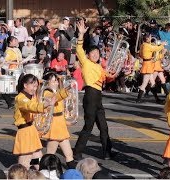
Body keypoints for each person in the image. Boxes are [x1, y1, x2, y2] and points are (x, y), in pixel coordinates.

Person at [73, 20, 117, 160]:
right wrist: (81, 34)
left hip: (98, 96)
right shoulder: (85, 62)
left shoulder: (99, 67)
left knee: (103, 127)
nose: (96, 55)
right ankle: (77, 152)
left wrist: (115, 72)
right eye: (93, 53)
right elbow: (79, 50)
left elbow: (108, 78)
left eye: (97, 53)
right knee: (89, 126)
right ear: (88, 55)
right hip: (90, 94)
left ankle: (107, 151)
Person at [13, 74, 57, 169]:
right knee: (25, 159)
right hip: (24, 132)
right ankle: (20, 176)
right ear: (25, 85)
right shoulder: (20, 98)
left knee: (38, 157)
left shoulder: (30, 96)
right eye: (33, 86)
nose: (35, 88)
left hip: (31, 130)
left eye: (36, 86)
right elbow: (31, 106)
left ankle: (40, 174)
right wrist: (46, 104)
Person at [41, 72, 77, 169]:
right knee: (50, 154)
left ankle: (73, 173)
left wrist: (66, 121)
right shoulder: (46, 92)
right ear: (47, 83)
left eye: (56, 80)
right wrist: (68, 88)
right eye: (53, 81)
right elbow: (56, 98)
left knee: (69, 154)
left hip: (60, 123)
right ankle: (43, 172)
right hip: (54, 125)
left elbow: (62, 107)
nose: (56, 83)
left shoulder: (56, 91)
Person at [135, 32, 166, 104]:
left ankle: (157, 99)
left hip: (147, 63)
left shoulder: (143, 45)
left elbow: (140, 54)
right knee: (145, 83)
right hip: (148, 65)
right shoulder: (147, 46)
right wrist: (162, 44)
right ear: (147, 38)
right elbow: (156, 48)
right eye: (150, 37)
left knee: (152, 83)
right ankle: (138, 99)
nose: (151, 38)